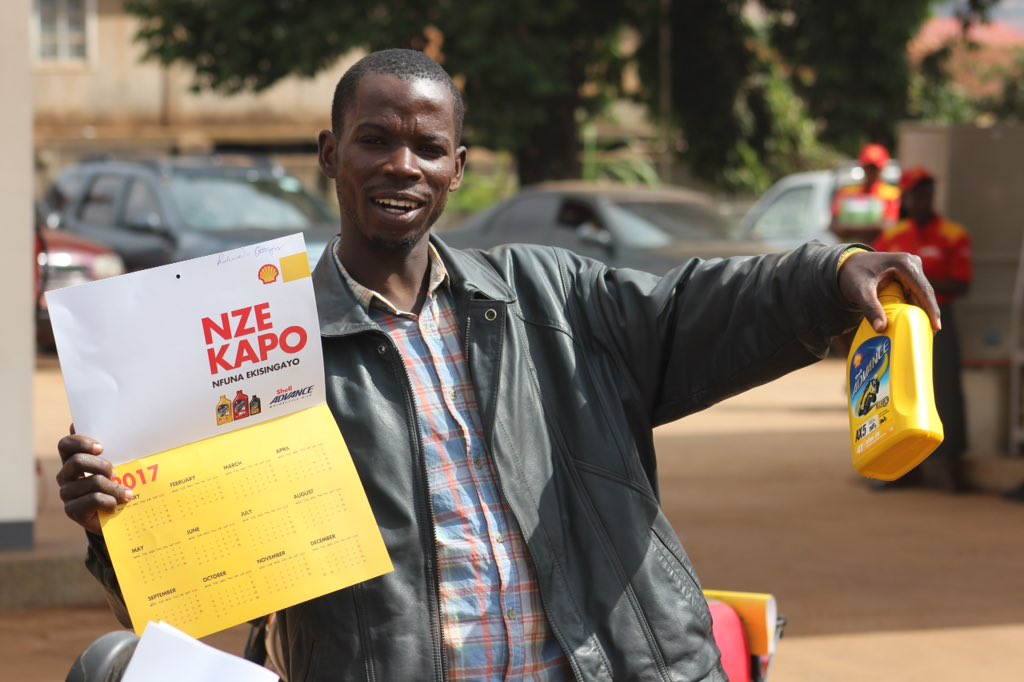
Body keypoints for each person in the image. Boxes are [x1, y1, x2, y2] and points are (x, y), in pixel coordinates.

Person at [55, 49, 940, 681]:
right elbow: (187, 575)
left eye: (428, 147)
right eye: (374, 140)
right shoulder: (258, 348)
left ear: (457, 169)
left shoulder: (552, 298)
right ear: (331, 155)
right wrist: (114, 525)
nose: (401, 163)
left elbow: (698, 306)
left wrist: (829, 274)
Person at [872, 167, 971, 492]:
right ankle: (901, 469)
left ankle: (953, 471)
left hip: (937, 320)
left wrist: (915, 281)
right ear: (908, 198)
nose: (922, 199)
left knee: (945, 394)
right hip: (902, 322)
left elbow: (962, 283)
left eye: (927, 192)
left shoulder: (954, 234)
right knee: (897, 390)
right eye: (916, 193)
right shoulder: (893, 236)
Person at [830, 143, 902, 245]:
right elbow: (835, 226)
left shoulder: (892, 193)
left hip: (879, 253)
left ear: (882, 168)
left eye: (874, 168)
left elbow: (888, 226)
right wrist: (872, 228)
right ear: (862, 167)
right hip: (848, 253)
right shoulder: (846, 192)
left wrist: (849, 229)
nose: (870, 172)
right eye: (867, 167)